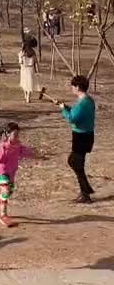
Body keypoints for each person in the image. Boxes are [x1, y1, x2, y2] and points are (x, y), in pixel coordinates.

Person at [0, 122, 36, 228]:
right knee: (5, 191)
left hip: (12, 172)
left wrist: (34, 154)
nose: (16, 137)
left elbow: (23, 151)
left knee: (9, 192)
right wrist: (3, 148)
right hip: (2, 172)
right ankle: (3, 215)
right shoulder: (4, 146)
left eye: (17, 134)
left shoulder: (17, 145)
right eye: (14, 135)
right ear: (7, 135)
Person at [59, 75, 96, 203]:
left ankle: (86, 193)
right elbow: (77, 114)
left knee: (75, 162)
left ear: (78, 87)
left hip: (81, 137)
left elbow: (72, 118)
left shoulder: (83, 103)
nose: (72, 88)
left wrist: (64, 110)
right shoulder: (88, 100)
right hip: (86, 135)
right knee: (76, 163)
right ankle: (85, 191)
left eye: (73, 86)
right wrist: (68, 108)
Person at [18, 38, 43, 105]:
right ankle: (28, 97)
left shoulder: (22, 52)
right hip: (31, 69)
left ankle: (25, 95)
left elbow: (20, 62)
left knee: (24, 83)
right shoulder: (33, 52)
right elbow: (36, 62)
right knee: (30, 83)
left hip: (24, 69)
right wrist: (38, 70)